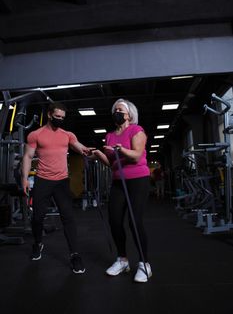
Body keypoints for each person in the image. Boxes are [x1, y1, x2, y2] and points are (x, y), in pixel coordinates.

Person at [21, 102, 91, 274]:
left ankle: (75, 254)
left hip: (61, 182)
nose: (60, 119)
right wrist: (24, 179)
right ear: (49, 115)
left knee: (68, 218)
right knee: (37, 217)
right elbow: (27, 157)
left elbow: (79, 147)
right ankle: (38, 243)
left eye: (62, 117)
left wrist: (87, 151)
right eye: (57, 116)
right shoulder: (35, 135)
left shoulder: (67, 135)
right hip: (43, 180)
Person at [92, 98, 152, 283]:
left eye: (120, 110)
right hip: (119, 182)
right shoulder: (109, 135)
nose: (116, 112)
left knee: (134, 221)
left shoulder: (137, 130)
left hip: (138, 180)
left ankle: (144, 264)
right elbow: (112, 163)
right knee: (115, 220)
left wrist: (121, 149)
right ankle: (122, 259)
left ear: (129, 114)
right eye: (115, 110)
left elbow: (135, 156)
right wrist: (97, 154)